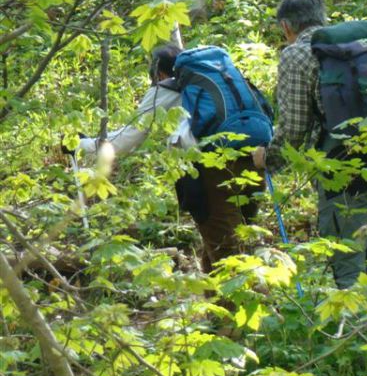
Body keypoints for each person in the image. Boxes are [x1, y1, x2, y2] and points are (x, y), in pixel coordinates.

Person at [252, 0, 367, 289]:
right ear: (323, 18)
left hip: (342, 164)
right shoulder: (362, 46)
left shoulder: (296, 54)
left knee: (347, 259)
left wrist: (268, 160)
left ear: (286, 26)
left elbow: (294, 127)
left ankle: (356, 331)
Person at [80, 43, 263, 274]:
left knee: (225, 248)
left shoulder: (164, 89)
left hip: (210, 172)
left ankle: (238, 303)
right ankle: (216, 306)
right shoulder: (218, 81)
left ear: (159, 73)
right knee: (236, 237)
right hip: (253, 159)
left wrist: (82, 144)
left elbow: (123, 142)